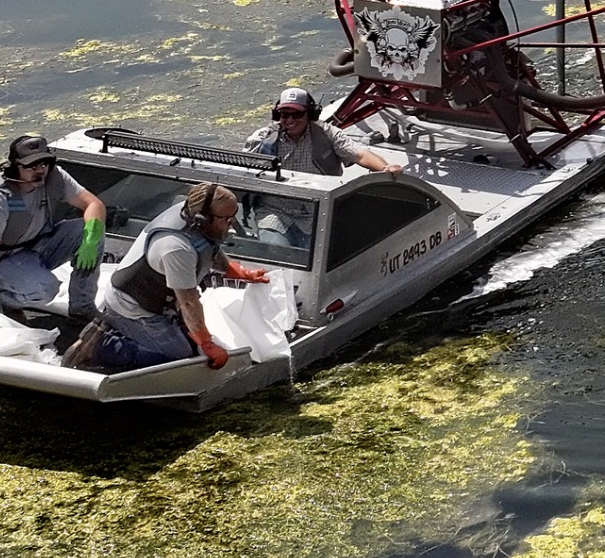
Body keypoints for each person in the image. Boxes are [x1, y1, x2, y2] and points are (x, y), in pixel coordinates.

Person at [88, 181, 268, 372]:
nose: (232, 224)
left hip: (159, 300)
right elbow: (189, 302)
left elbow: (209, 247)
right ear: (203, 218)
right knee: (177, 355)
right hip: (133, 306)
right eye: (227, 219)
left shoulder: (193, 218)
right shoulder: (176, 248)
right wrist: (207, 344)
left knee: (191, 341)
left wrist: (238, 272)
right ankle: (108, 344)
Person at [0, 134, 106, 328]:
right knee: (46, 290)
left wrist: (90, 241)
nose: (39, 171)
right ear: (14, 167)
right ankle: (5, 302)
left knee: (88, 229)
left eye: (43, 164)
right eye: (31, 166)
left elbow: (94, 204)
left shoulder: (55, 177)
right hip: (2, 258)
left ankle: (82, 307)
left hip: (37, 244)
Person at [245, 85, 389, 174]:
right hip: (276, 207)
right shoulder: (263, 138)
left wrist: (386, 168)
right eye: (285, 115)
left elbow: (360, 155)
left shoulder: (327, 134)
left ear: (311, 114)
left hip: (321, 207)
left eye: (297, 114)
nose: (290, 120)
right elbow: (241, 168)